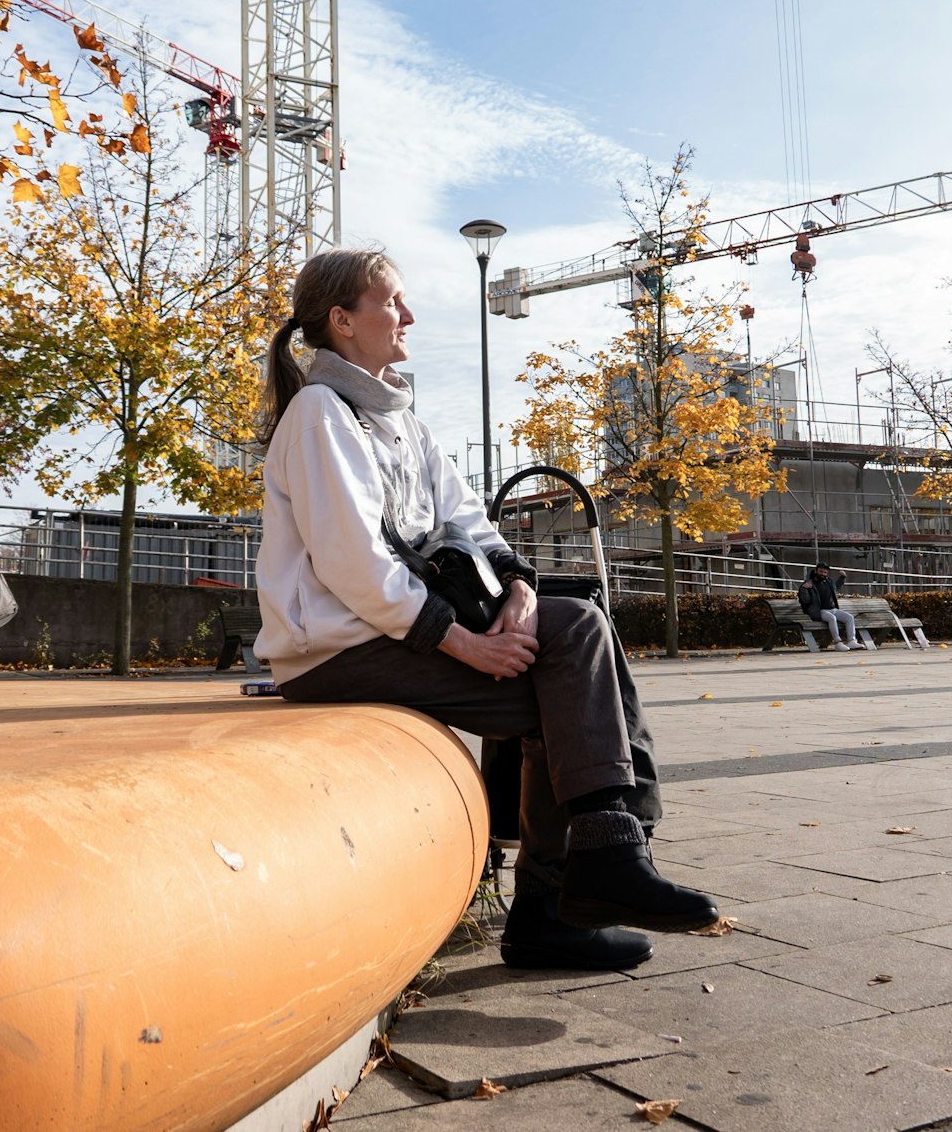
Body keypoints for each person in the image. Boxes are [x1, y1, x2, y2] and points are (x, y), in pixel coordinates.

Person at [254, 248, 718, 973]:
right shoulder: (321, 413)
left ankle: (577, 883)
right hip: (335, 652)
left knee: (567, 634)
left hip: (386, 632)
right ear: (342, 321)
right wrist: (465, 645)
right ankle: (579, 879)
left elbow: (469, 517)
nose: (408, 315)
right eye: (393, 302)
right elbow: (354, 565)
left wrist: (519, 588)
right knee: (574, 649)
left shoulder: (399, 417)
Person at [798, 562, 859, 650]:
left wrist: (842, 577)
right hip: (819, 611)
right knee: (832, 618)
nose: (823, 574)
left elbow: (836, 587)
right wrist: (803, 589)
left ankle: (852, 641)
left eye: (825, 572)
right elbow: (805, 601)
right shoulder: (809, 583)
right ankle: (838, 643)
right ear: (816, 571)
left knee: (849, 617)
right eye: (821, 571)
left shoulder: (829, 581)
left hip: (832, 609)